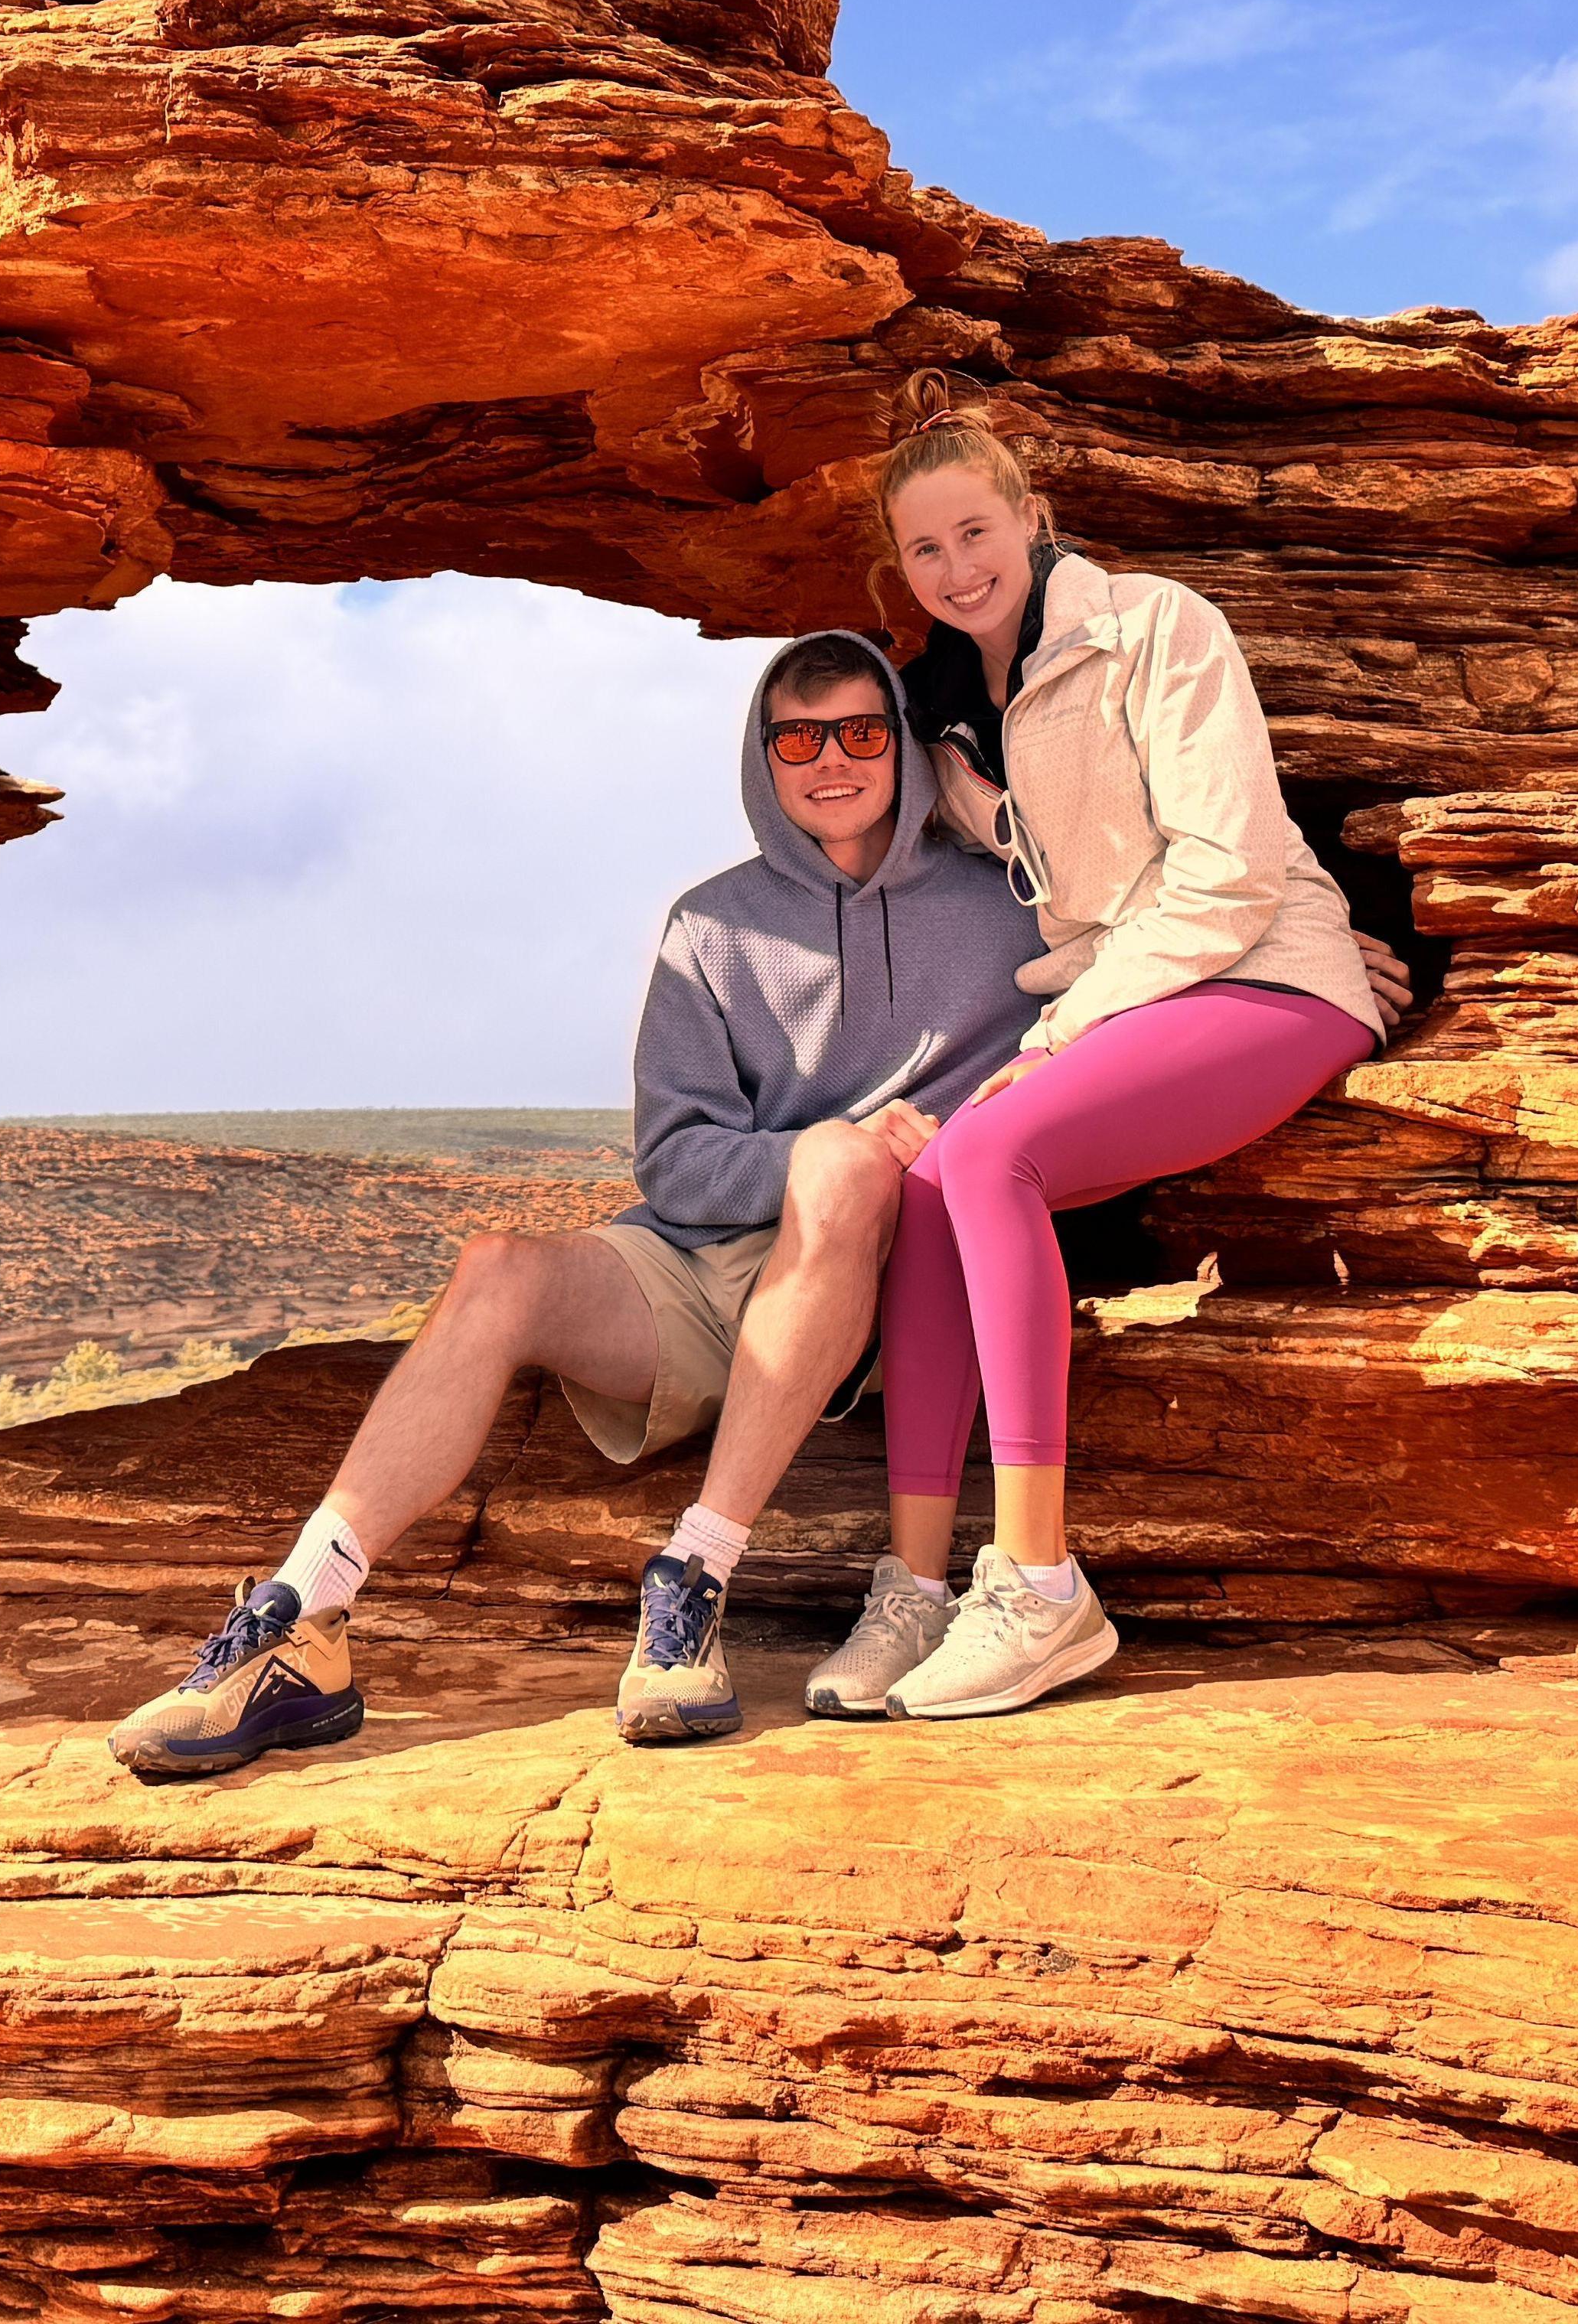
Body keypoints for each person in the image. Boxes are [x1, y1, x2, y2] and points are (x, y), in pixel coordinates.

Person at [107, 625, 1043, 1779]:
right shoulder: (714, 922)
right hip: (714, 1268)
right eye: (796, 738)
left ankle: (693, 1577)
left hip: (887, 1275)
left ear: (900, 743)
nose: (829, 760)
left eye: (859, 731)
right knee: (500, 1265)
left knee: (845, 1170)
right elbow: (675, 1162)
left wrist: (1321, 942)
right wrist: (814, 1147)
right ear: (763, 758)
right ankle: (303, 1616)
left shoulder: (1008, 909)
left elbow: (1140, 973)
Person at [813, 368, 1396, 1726]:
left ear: (1031, 514)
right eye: (924, 549)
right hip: (1138, 1000)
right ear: (896, 571)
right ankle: (912, 1588)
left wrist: (1058, 1039)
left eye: (975, 531)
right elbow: (902, 859)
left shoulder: (1152, 626)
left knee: (997, 1144)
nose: (957, 567)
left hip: (1267, 979)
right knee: (922, 1179)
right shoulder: (943, 709)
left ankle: (1035, 1581)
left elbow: (1231, 869)